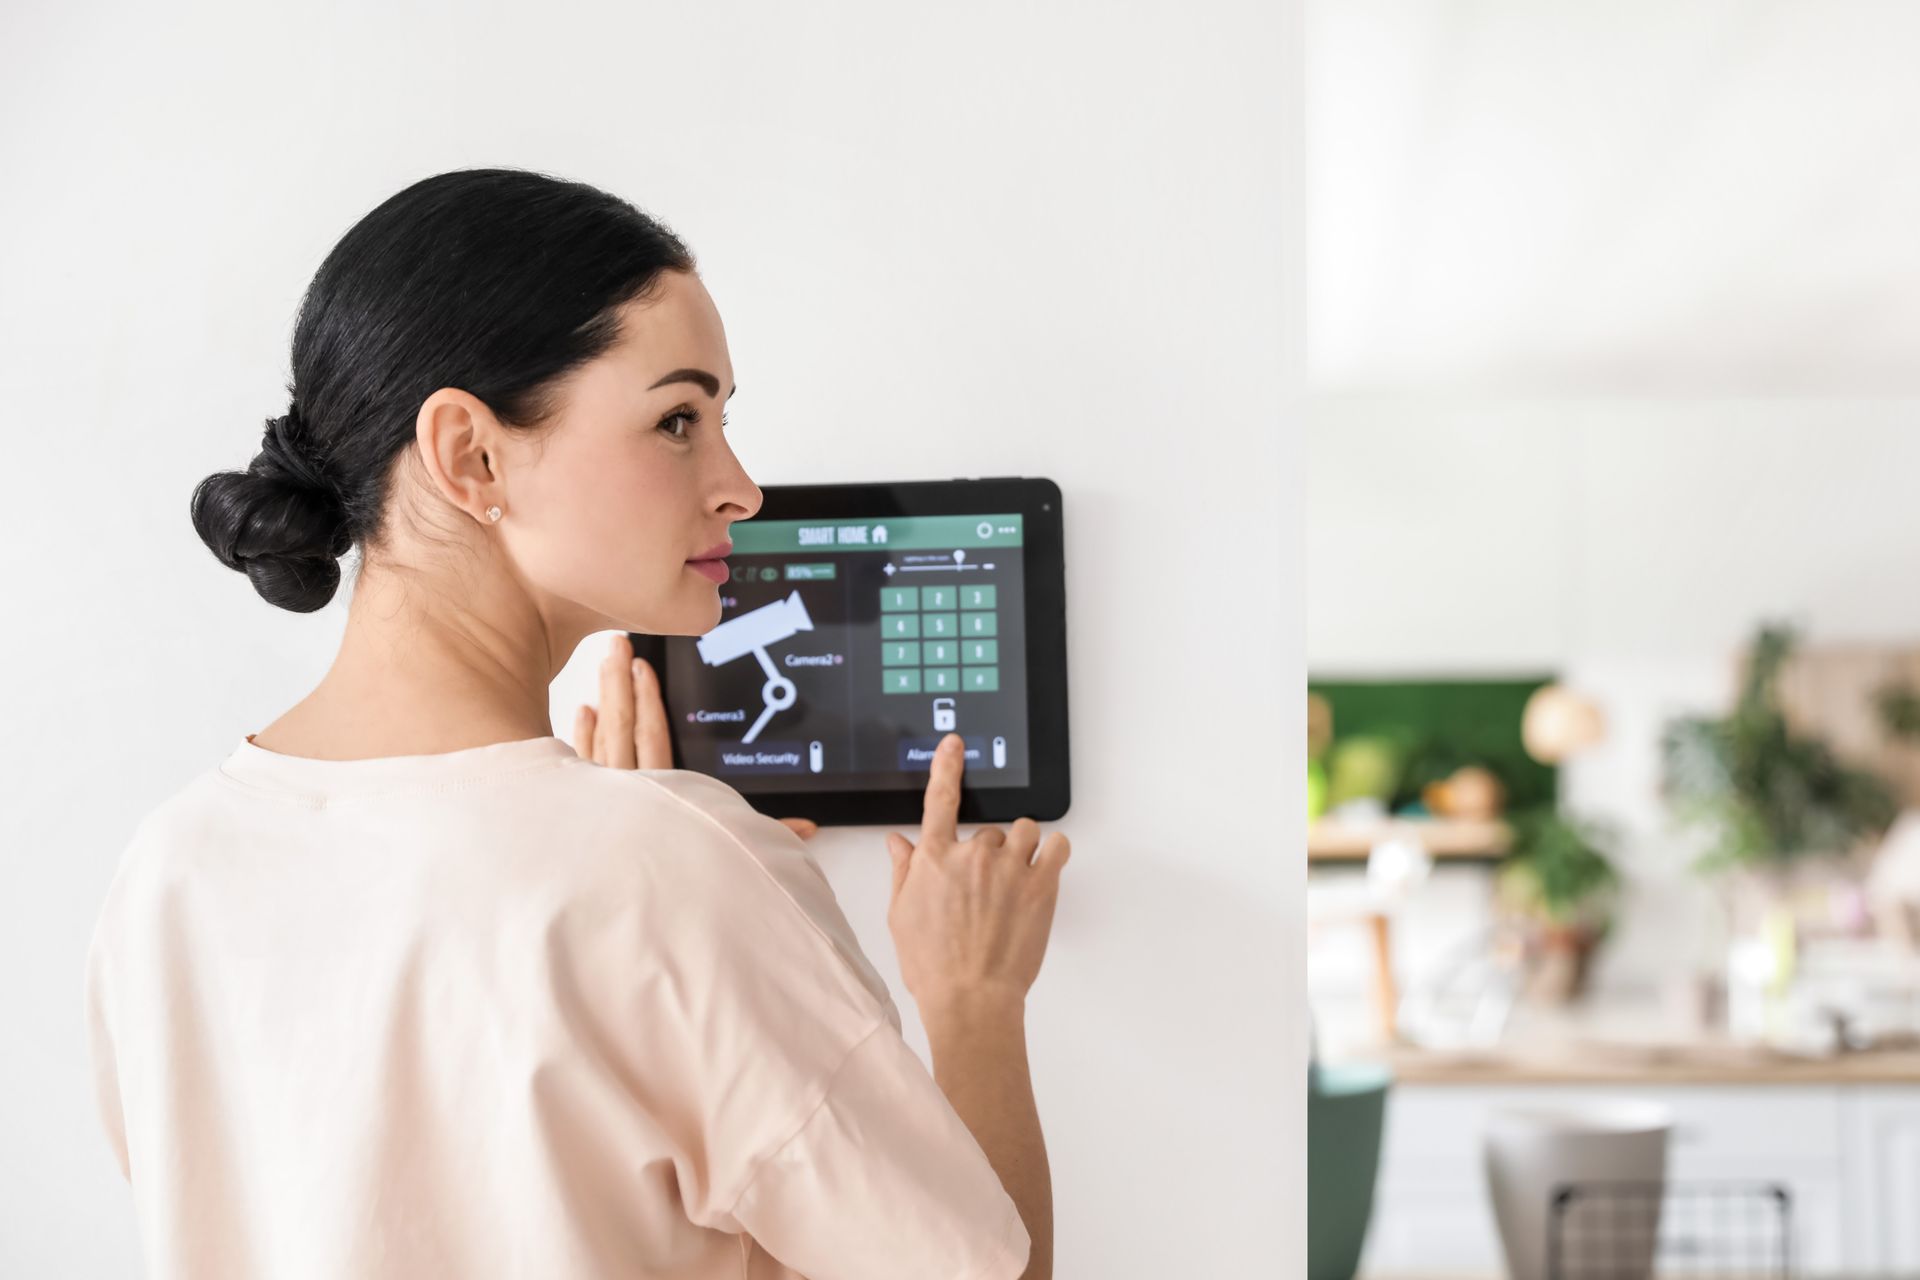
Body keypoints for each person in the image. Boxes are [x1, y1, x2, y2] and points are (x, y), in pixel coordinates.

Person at [83, 167, 1071, 1280]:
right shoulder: (675, 864)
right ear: (470, 453)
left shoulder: (167, 868)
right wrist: (975, 1000)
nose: (740, 484)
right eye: (679, 420)